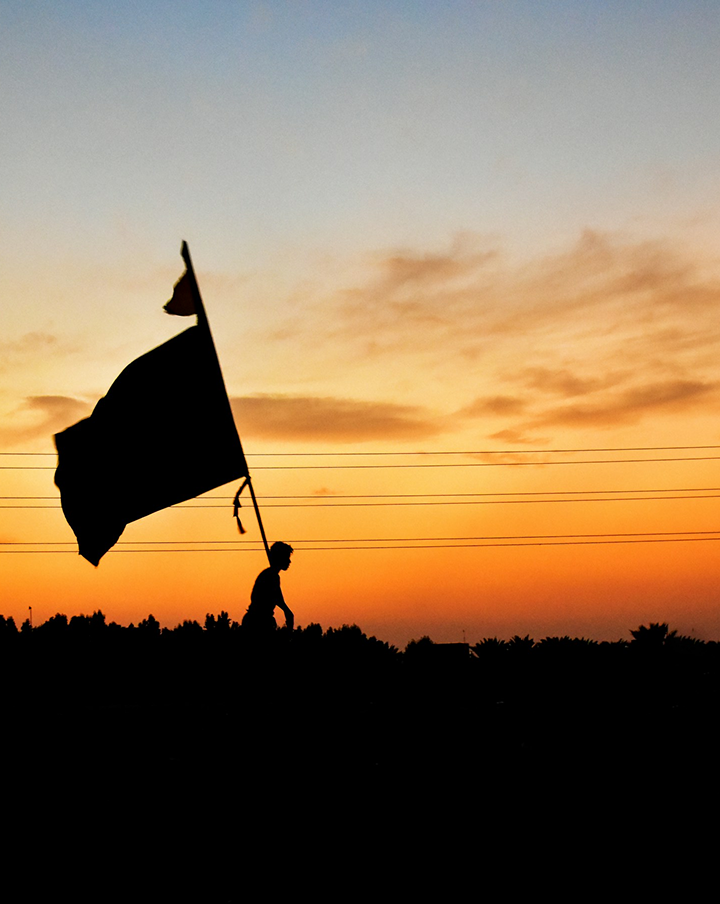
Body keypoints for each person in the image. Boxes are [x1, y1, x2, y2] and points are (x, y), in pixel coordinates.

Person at [242, 541, 294, 634]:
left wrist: (287, 611)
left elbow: (278, 598)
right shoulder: (270, 576)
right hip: (258, 622)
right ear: (280, 557)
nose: (289, 561)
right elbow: (274, 598)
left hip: (259, 620)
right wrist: (287, 611)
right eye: (286, 557)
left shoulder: (272, 576)